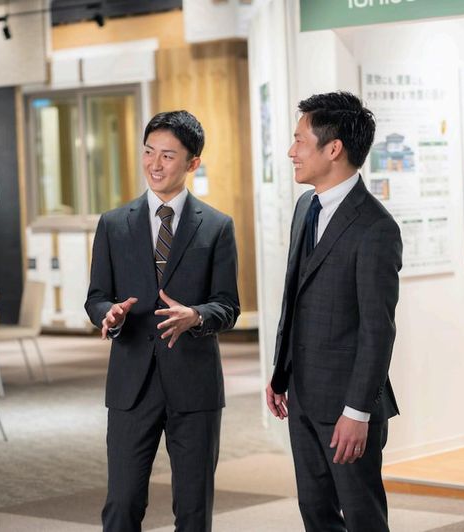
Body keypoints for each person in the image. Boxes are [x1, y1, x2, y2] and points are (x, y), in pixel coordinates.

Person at [85, 110, 240, 532]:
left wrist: (197, 316)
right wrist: (109, 315)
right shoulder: (113, 225)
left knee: (193, 510)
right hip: (131, 385)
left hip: (194, 384)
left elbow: (228, 305)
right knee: (122, 504)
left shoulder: (217, 227)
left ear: (193, 163)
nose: (154, 164)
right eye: (149, 152)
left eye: (168, 156)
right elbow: (96, 298)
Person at [266, 91, 402, 532]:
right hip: (302, 395)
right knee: (316, 514)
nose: (291, 151)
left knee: (363, 518)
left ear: (334, 149)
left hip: (347, 406)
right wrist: (280, 372)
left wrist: (357, 412)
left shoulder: (376, 227)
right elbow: (296, 297)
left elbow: (377, 331)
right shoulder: (306, 207)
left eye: (299, 141)